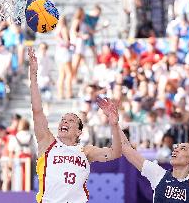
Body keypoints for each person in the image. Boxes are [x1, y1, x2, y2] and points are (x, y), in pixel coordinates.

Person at [28, 47, 121, 203]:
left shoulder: (86, 151)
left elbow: (116, 153)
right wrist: (33, 75)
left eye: (70, 120)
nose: (64, 121)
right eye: (63, 119)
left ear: (79, 132)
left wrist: (114, 126)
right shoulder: (47, 142)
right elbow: (37, 111)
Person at [98, 94, 189, 202]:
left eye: (183, 149)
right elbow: (126, 147)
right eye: (177, 147)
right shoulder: (158, 174)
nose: (176, 149)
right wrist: (114, 124)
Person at [55, 15, 73, 99]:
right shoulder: (64, 29)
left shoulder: (57, 29)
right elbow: (66, 42)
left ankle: (60, 93)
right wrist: (72, 44)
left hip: (58, 51)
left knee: (61, 74)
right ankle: (68, 93)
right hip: (65, 52)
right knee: (69, 73)